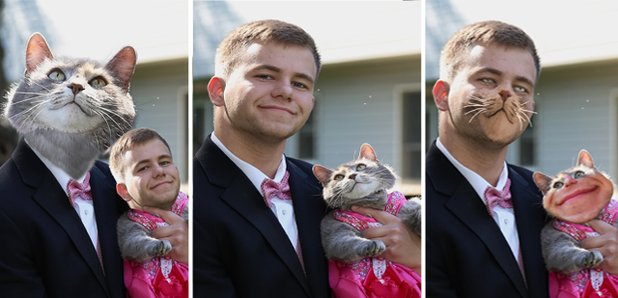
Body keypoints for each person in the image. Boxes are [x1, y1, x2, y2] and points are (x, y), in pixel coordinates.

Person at [193, 19, 420, 297]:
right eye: (265, 75)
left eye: (300, 83)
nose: (285, 91)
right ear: (218, 91)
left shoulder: (327, 189)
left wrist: (418, 254)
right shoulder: (184, 203)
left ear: (311, 101)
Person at [426, 20, 618, 298]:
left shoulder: (548, 198)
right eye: (488, 79)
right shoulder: (411, 214)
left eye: (521, 88)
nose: (507, 92)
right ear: (443, 95)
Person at [109, 128, 189, 298]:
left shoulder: (192, 206)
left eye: (165, 162)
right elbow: (131, 244)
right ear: (124, 191)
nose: (159, 171)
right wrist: (152, 246)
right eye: (143, 168)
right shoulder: (131, 222)